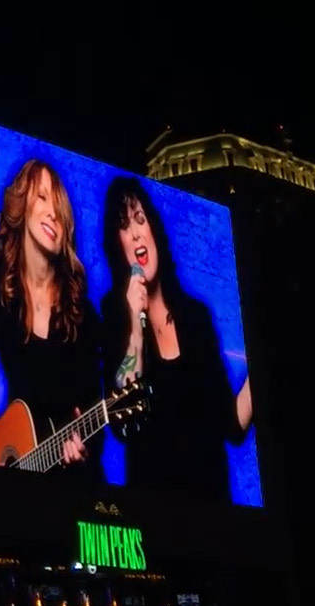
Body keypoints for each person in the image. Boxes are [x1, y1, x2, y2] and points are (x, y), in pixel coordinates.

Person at [0, 158, 107, 479]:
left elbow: (94, 415)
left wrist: (83, 447)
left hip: (69, 484)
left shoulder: (83, 315)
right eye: (42, 197)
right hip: (13, 453)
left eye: (60, 209)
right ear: (22, 205)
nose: (53, 213)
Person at [99, 176, 253, 500]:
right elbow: (123, 425)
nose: (137, 232)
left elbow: (232, 426)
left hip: (214, 513)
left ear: (154, 230)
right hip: (155, 518)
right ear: (118, 244)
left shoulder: (195, 317)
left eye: (141, 219)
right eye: (126, 226)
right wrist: (135, 325)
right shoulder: (114, 318)